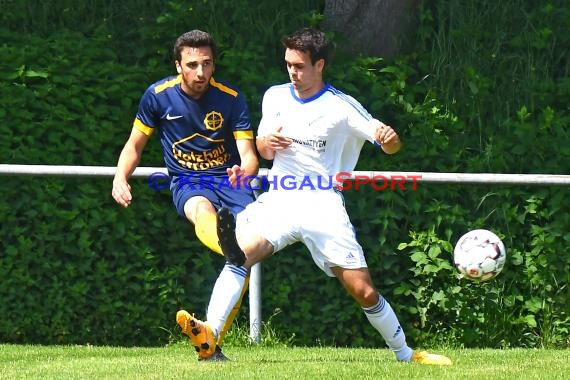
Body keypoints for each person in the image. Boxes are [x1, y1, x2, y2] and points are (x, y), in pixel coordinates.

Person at [182, 27, 453, 365]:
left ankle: (406, 355)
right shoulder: (275, 96)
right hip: (281, 198)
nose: (292, 72)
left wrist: (389, 138)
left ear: (319, 64)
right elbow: (263, 150)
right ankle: (209, 340)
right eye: (288, 65)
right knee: (239, 255)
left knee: (363, 291)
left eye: (299, 66)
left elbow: (389, 146)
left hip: (323, 204)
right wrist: (268, 144)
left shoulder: (341, 107)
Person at [111, 29, 259, 361]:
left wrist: (245, 171)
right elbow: (135, 145)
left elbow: (248, 154)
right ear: (178, 65)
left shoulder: (231, 98)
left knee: (244, 263)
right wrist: (121, 177)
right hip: (189, 181)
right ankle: (230, 246)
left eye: (207, 64)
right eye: (192, 65)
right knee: (199, 211)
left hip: (232, 183)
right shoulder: (157, 96)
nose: (201, 73)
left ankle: (211, 341)